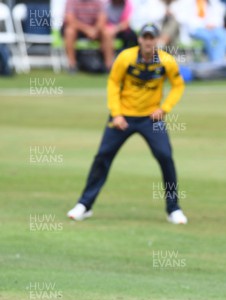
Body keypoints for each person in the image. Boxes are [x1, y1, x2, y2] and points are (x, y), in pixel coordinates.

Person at [67, 24, 188, 225]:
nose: (148, 41)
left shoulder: (166, 61)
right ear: (140, 40)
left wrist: (164, 109)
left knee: (165, 157)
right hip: (123, 117)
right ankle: (84, 205)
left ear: (156, 40)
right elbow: (113, 83)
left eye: (152, 38)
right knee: (103, 156)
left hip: (151, 118)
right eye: (145, 37)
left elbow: (178, 85)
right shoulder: (125, 58)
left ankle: (173, 208)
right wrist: (116, 114)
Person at [62, 0, 110, 72]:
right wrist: (87, 30)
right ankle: (72, 65)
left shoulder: (99, 2)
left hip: (94, 29)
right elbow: (70, 20)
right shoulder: (71, 1)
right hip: (78, 29)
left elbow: (102, 19)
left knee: (106, 33)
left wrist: (95, 30)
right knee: (69, 31)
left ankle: (108, 66)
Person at [103, 0, 137, 67]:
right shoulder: (106, 5)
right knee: (106, 34)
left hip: (125, 33)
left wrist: (114, 29)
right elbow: (103, 20)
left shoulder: (128, 5)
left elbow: (127, 23)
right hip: (108, 31)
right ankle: (109, 64)